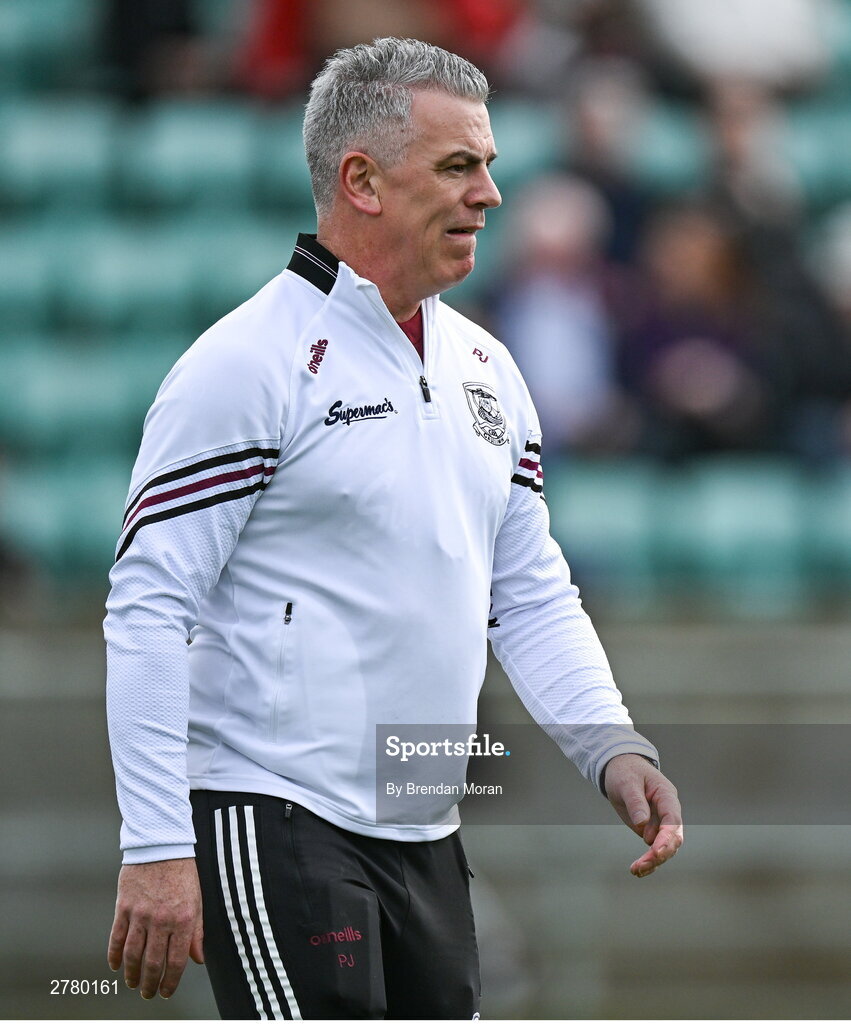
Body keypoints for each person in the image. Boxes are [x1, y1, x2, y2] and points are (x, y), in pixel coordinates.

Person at [104, 37, 683, 1020]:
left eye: (489, 165)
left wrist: (607, 742)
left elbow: (530, 589)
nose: (490, 195)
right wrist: (157, 842)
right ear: (361, 180)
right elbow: (150, 606)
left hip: (426, 828)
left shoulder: (487, 370)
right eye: (460, 165)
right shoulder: (244, 365)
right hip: (271, 814)